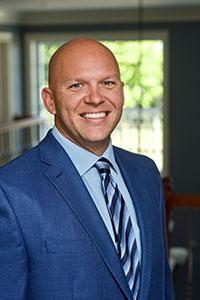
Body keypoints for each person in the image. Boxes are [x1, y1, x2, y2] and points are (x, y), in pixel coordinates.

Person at [0, 37, 173, 299]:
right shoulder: (10, 190)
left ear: (122, 91)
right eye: (76, 85)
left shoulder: (146, 173)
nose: (95, 98)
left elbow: (161, 286)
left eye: (107, 83)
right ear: (50, 101)